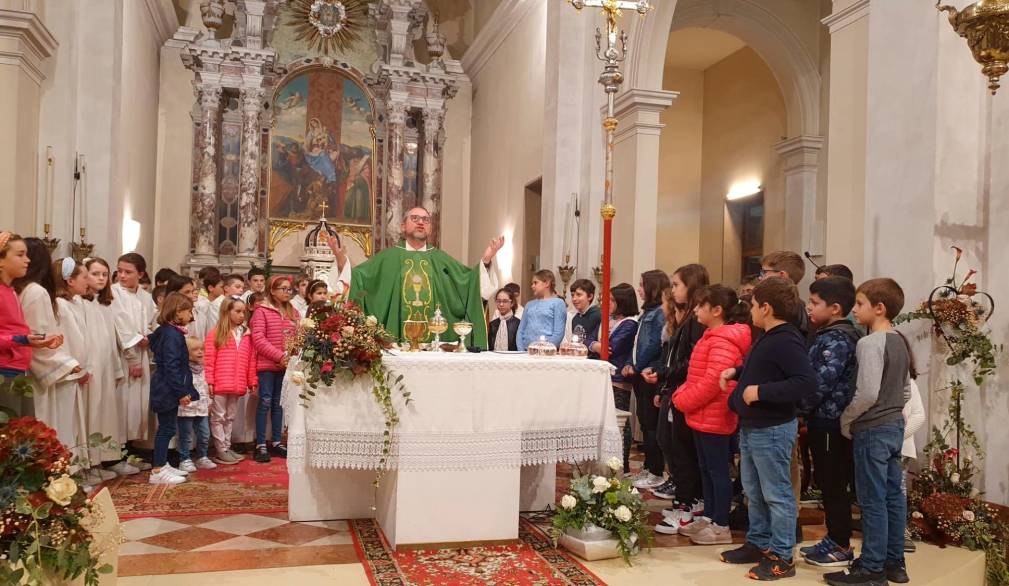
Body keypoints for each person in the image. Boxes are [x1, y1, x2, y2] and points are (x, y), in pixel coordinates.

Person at [720, 277, 816, 580]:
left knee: (777, 494)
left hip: (772, 428)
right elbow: (763, 367)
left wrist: (761, 393)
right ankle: (758, 543)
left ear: (766, 307)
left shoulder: (786, 338)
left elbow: (805, 381)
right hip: (754, 426)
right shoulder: (768, 336)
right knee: (754, 491)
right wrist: (737, 371)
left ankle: (783, 555)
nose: (749, 310)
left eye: (752, 304)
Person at [828, 279, 913, 586]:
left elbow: (866, 393)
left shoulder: (869, 343)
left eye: (860, 304)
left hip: (872, 429)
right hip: (893, 427)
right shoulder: (900, 341)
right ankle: (894, 563)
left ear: (880, 308)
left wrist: (846, 420)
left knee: (872, 501)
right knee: (893, 497)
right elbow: (905, 391)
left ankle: (872, 569)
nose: (855, 309)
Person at [326, 207, 504, 348]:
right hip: (396, 345)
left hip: (436, 346)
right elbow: (357, 279)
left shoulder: (442, 260)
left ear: (430, 228)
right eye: (415, 219)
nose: (421, 223)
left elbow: (470, 283)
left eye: (426, 220)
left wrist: (487, 259)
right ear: (403, 226)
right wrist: (341, 259)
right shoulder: (387, 258)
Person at [673, 285, 753, 546]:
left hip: (714, 414)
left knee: (718, 471)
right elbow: (696, 375)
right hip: (702, 413)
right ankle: (709, 516)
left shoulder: (724, 340)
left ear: (717, 310)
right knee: (705, 469)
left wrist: (683, 399)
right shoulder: (711, 335)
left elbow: (712, 382)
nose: (695, 309)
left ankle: (721, 524)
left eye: (700, 305)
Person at [797, 277, 861, 567]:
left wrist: (797, 407)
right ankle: (834, 538)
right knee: (827, 482)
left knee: (833, 484)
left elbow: (820, 382)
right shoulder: (828, 333)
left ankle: (841, 545)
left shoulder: (837, 338)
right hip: (821, 419)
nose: (809, 308)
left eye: (814, 303)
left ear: (835, 308)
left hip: (830, 420)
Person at [646, 264, 709, 531]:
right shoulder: (683, 318)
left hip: (685, 391)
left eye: (676, 285)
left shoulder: (695, 322)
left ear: (692, 287)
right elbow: (673, 355)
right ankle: (685, 498)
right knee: (667, 441)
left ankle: (688, 502)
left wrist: (664, 376)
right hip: (674, 389)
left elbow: (691, 361)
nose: (672, 291)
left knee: (680, 448)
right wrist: (662, 382)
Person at [14, 240, 83, 448]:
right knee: (41, 426)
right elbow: (39, 337)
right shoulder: (36, 292)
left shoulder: (20, 289)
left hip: (21, 368)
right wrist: (67, 363)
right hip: (35, 374)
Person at [0, 232, 60, 418]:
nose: (27, 260)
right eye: (20, 255)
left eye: (27, 254)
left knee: (24, 435)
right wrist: (22, 339)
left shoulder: (10, 291)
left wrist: (33, 341)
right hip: (3, 372)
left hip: (17, 369)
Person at [147, 292, 201, 485]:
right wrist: (181, 392)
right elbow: (172, 366)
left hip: (167, 387)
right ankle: (158, 470)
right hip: (167, 388)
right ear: (178, 312)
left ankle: (163, 464)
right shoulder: (170, 334)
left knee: (168, 428)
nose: (190, 316)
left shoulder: (170, 332)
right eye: (188, 311)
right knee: (166, 429)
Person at [624, 270, 670, 490]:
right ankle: (648, 467)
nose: (639, 289)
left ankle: (656, 471)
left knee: (651, 425)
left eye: (642, 285)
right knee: (645, 422)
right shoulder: (647, 312)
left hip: (649, 373)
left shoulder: (660, 312)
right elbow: (638, 343)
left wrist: (637, 366)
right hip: (640, 374)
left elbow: (654, 344)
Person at [111, 253, 157, 461]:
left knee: (138, 405)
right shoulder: (113, 294)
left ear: (140, 274)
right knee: (122, 403)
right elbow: (120, 326)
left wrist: (151, 336)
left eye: (127, 272)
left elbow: (153, 322)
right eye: (119, 271)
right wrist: (133, 357)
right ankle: (117, 453)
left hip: (143, 353)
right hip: (123, 355)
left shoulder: (145, 297)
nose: (121, 276)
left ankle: (132, 449)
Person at [589, 283, 639, 473]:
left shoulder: (629, 324)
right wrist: (594, 345)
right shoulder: (606, 320)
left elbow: (612, 348)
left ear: (622, 301)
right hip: (602, 375)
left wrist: (597, 347)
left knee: (619, 421)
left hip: (618, 377)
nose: (607, 303)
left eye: (612, 300)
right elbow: (591, 341)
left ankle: (622, 463)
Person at [82, 258, 124, 476]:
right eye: (95, 273)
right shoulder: (82, 303)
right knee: (91, 413)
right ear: (84, 275)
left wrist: (117, 368)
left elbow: (112, 339)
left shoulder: (105, 303)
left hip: (106, 365)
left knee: (105, 413)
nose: (100, 278)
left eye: (104, 274)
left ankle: (102, 460)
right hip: (91, 367)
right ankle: (89, 463)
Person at [250, 276, 298, 463]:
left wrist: (291, 356)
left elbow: (297, 337)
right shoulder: (261, 311)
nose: (287, 292)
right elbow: (259, 339)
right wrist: (279, 356)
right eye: (283, 289)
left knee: (280, 403)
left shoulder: (293, 312)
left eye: (289, 289)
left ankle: (277, 441)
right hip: (267, 365)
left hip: (285, 365)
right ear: (272, 290)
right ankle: (261, 443)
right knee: (265, 402)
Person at [205, 296, 257, 465]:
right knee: (218, 417)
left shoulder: (246, 335)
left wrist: (251, 380)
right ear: (227, 312)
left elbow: (250, 360)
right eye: (238, 311)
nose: (242, 315)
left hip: (237, 383)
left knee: (230, 417)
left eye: (244, 312)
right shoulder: (216, 333)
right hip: (220, 383)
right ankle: (220, 449)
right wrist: (210, 381)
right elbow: (209, 359)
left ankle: (227, 446)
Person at [52, 258, 93, 467]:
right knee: (65, 426)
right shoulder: (60, 305)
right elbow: (66, 339)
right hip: (66, 373)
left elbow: (83, 339)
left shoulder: (76, 303)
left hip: (76, 370)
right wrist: (75, 367)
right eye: (84, 277)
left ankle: (74, 470)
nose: (89, 281)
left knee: (75, 425)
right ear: (69, 280)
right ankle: (64, 471)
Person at [177, 337, 216, 472]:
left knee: (205, 434)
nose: (200, 352)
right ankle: (185, 459)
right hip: (186, 408)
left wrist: (209, 402)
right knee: (186, 436)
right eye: (195, 350)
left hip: (202, 407)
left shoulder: (204, 368)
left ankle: (202, 457)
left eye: (202, 349)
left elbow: (205, 387)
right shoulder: (182, 369)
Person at [516, 270, 567, 351]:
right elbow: (521, 330)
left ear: (547, 283)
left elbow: (558, 333)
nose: (532, 286)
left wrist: (543, 350)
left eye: (535, 283)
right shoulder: (529, 304)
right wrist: (520, 349)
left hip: (546, 353)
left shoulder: (558, 303)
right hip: (525, 351)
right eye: (532, 283)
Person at [193, 269, 225, 341]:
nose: (224, 289)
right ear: (211, 288)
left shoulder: (224, 303)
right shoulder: (200, 305)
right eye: (221, 287)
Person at [567, 279, 601, 344]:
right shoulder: (575, 318)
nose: (574, 299)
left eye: (579, 295)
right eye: (572, 295)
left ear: (590, 296)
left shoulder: (597, 315)